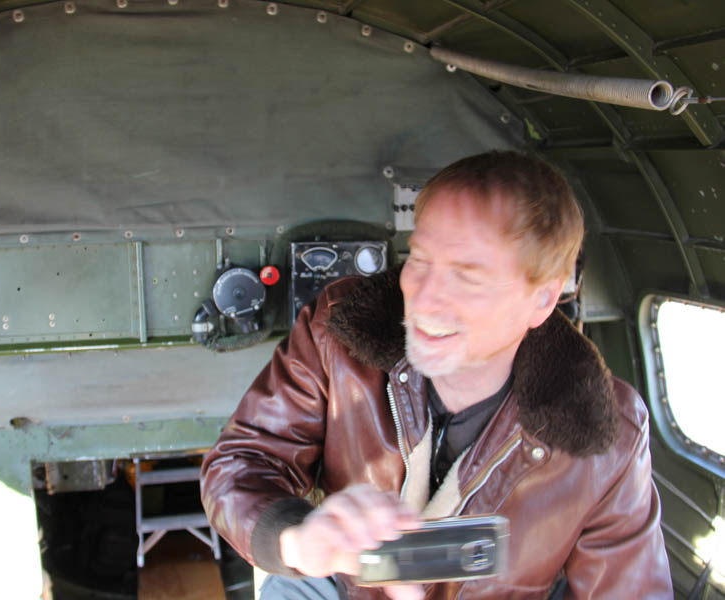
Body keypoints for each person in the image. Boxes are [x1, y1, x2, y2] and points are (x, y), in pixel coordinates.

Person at [200, 151, 672, 599]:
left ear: (542, 301)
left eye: (468, 276)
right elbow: (242, 461)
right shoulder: (337, 333)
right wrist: (296, 537)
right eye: (420, 259)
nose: (424, 299)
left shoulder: (607, 433)